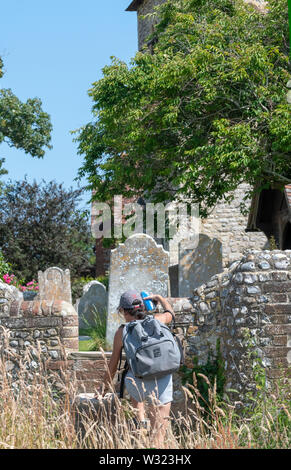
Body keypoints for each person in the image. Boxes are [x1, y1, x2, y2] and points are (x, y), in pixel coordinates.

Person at [97, 290, 175, 448]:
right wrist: (159, 298)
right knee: (158, 438)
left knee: (132, 377)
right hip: (162, 383)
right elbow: (171, 314)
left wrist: (103, 388)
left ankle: (140, 422)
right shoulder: (158, 320)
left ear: (124, 311)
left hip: (137, 384)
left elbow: (113, 364)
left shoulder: (122, 332)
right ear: (144, 307)